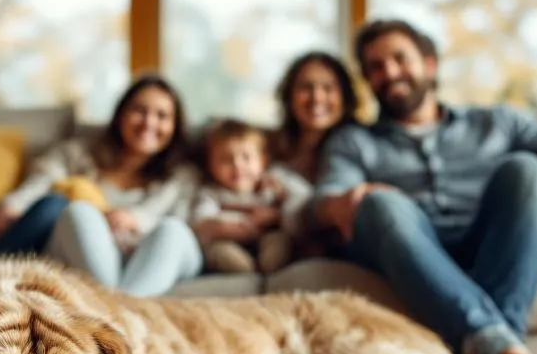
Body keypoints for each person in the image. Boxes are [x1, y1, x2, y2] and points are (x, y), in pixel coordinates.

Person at [312, 18, 537, 354]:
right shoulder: (354, 141)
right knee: (380, 204)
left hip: (487, 242)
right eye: (375, 67)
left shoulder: (496, 122)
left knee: (528, 170)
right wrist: (338, 202)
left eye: (399, 59)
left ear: (429, 64)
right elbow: (322, 199)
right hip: (409, 248)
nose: (389, 72)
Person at [42, 75, 204, 297]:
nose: (149, 122)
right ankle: (123, 310)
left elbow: (190, 222)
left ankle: (117, 308)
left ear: (174, 126)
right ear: (121, 115)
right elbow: (40, 183)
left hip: (158, 255)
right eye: (139, 111)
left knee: (172, 230)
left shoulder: (184, 174)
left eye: (162, 115)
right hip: (98, 258)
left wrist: (136, 219)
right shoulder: (78, 154)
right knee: (78, 211)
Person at [190, 119, 312, 274]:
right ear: (211, 165)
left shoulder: (274, 181)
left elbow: (305, 197)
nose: (237, 165)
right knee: (217, 251)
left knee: (279, 241)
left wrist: (278, 210)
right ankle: (247, 271)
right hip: (227, 240)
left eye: (246, 157)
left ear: (263, 161)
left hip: (267, 235)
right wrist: (226, 227)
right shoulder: (211, 192)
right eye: (226, 159)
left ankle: (269, 267)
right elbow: (200, 220)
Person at [270, 50, 361, 183]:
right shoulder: (268, 149)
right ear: (289, 96)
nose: (316, 98)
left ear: (345, 98)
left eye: (328, 88)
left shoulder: (361, 151)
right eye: (305, 87)